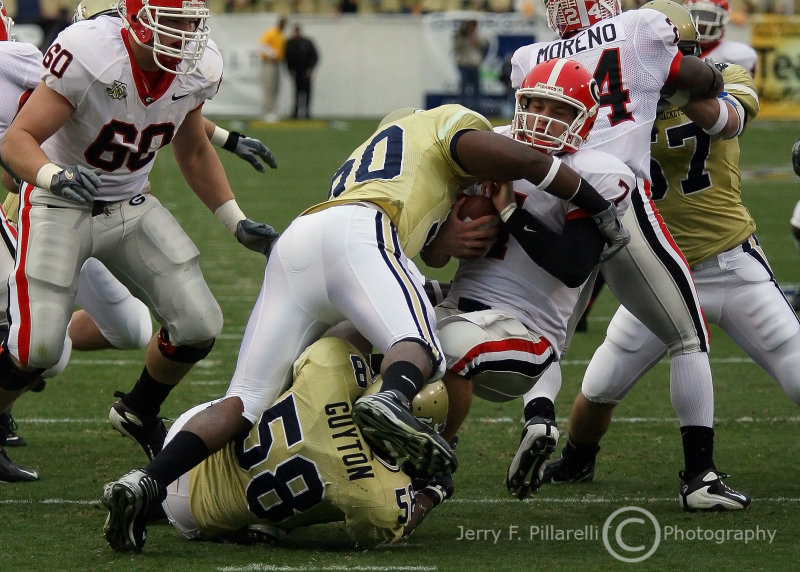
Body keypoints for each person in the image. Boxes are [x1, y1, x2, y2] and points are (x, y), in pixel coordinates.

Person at [101, 102, 631, 553]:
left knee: (245, 400)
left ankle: (145, 481)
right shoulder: (450, 125)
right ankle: (392, 401)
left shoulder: (376, 153)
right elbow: (525, 159)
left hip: (301, 239)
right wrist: (593, 202)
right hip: (360, 232)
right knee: (421, 343)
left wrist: (444, 241)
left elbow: (420, 237)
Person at [0, 0, 280, 473]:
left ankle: (138, 411)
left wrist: (235, 220)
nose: (188, 35)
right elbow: (16, 140)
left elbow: (191, 150)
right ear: (136, 20)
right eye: (175, 24)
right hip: (57, 202)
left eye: (193, 24)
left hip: (130, 203)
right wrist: (54, 176)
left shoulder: (197, 66)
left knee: (199, 323)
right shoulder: (92, 52)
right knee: (39, 348)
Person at [509, 0, 750, 509]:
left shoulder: (530, 57)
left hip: (554, 196)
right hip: (618, 193)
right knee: (687, 336)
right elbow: (695, 73)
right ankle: (700, 478)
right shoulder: (640, 26)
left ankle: (539, 420)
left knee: (548, 331)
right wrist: (696, 76)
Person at [421, 59, 636, 499]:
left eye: (558, 110)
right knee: (364, 317)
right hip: (458, 303)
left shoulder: (594, 171)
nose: (542, 117)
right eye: (535, 104)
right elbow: (432, 255)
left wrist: (509, 213)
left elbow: (573, 265)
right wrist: (446, 239)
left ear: (584, 120)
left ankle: (439, 458)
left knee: (452, 349)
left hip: (527, 330)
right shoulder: (491, 145)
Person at [154, 336, 451, 547]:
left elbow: (344, 333)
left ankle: (150, 480)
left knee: (290, 380)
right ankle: (263, 521)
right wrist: (432, 493)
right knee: (344, 498)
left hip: (186, 442)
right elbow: (396, 524)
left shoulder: (334, 367)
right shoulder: (386, 492)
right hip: (196, 515)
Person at [686, 0, 757, 76]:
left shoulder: (738, 55)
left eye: (710, 17)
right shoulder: (675, 47)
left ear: (725, 21)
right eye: (698, 15)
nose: (702, 22)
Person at [285, 24, 318, 120]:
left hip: (306, 71)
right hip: (296, 72)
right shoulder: (290, 43)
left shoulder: (307, 43)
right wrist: (290, 69)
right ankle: (295, 112)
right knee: (296, 93)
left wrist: (311, 68)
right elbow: (287, 58)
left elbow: (315, 56)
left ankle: (307, 112)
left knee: (307, 92)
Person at [453, 19, 488, 111]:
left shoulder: (477, 36)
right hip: (464, 66)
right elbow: (456, 48)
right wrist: (463, 37)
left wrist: (475, 40)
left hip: (475, 66)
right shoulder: (461, 37)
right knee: (463, 90)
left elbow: (485, 44)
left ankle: (477, 110)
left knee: (477, 90)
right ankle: (460, 110)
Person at [259, 16, 287, 123]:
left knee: (275, 87)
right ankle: (266, 111)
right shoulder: (271, 33)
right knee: (268, 87)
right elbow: (263, 45)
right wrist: (272, 53)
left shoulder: (281, 35)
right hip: (268, 62)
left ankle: (272, 111)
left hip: (277, 63)